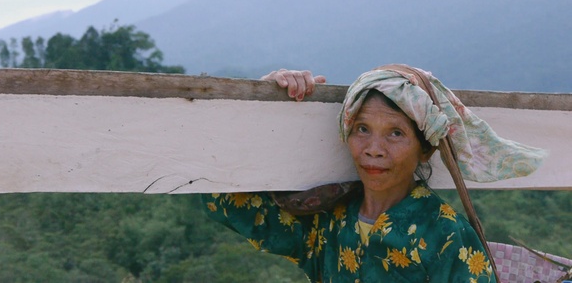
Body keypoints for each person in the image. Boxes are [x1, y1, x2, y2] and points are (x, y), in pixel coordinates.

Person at [202, 66, 545, 282]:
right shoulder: (329, 224)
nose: (374, 148)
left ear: (425, 148)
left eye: (395, 133)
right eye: (362, 128)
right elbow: (226, 200)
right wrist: (259, 102)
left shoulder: (447, 236)